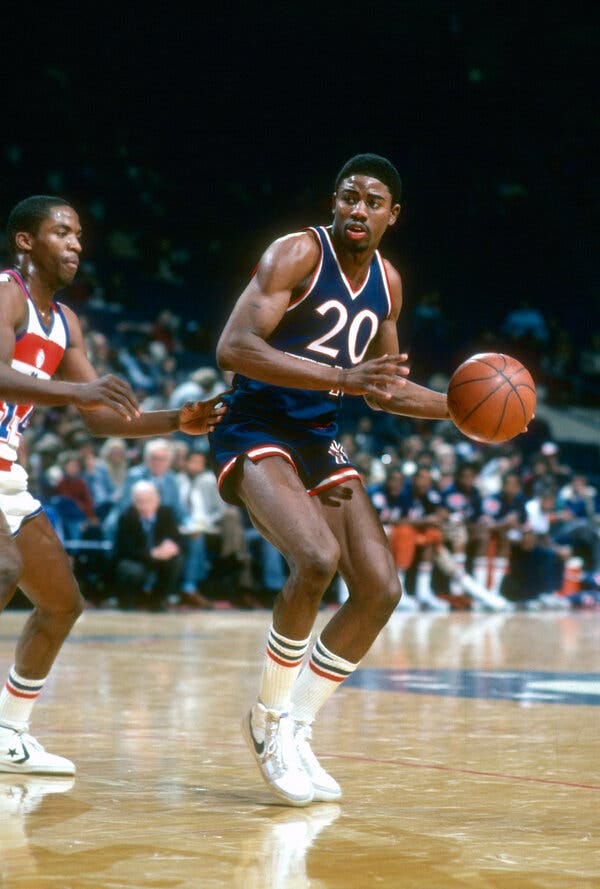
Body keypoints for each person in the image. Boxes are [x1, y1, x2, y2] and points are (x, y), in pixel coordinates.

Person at [209, 154, 451, 806]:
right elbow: (233, 347)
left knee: (380, 586)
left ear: (392, 215)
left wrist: (461, 408)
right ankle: (265, 719)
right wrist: (343, 379)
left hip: (317, 438)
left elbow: (388, 388)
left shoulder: (388, 284)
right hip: (255, 427)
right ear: (334, 202)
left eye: (373, 202)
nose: (357, 210)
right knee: (316, 557)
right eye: (349, 197)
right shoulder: (295, 254)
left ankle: (298, 724)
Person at [0, 194, 226, 776]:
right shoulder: (6, 291)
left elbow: (100, 418)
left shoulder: (66, 321)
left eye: (78, 234)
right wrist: (79, 391)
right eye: (61, 232)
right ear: (26, 241)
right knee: (2, 570)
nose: (76, 242)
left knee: (62, 602)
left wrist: (177, 422)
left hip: (7, 470)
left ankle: (9, 733)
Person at [111, 479, 184, 611]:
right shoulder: (126, 517)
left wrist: (170, 546)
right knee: (131, 570)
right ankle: (129, 601)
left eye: (149, 500)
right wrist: (151, 553)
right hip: (136, 559)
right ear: (133, 502)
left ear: (157, 499)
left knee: (176, 560)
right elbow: (123, 549)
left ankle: (158, 600)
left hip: (160, 558)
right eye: (140, 501)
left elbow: (176, 539)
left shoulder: (166, 513)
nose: (144, 506)